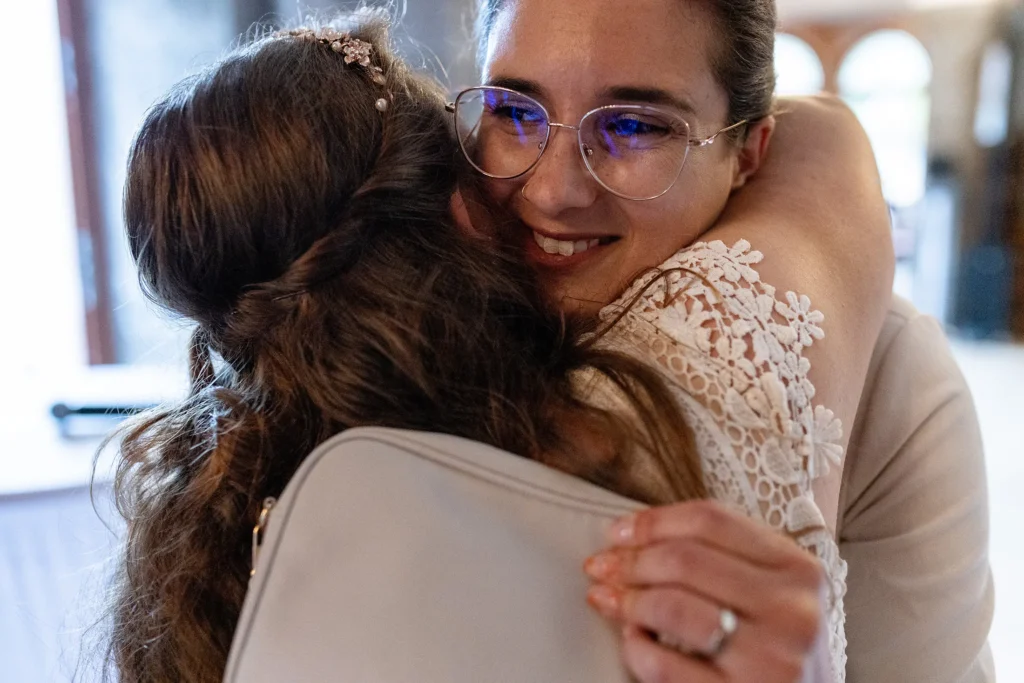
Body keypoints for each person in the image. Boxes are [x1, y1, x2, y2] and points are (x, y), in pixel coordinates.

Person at [468, 0, 995, 681]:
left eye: (633, 126)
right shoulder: (404, 296)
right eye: (515, 112)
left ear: (748, 152)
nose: (553, 191)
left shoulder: (896, 380)